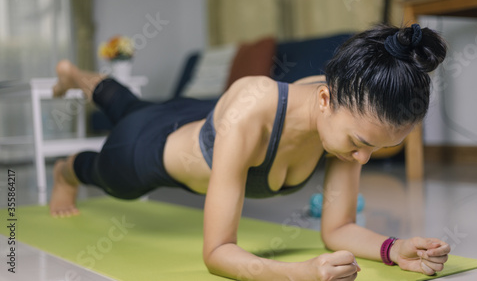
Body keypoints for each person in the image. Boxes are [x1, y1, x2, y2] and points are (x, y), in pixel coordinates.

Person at [50, 24, 450, 281]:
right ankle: (64, 170)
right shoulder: (254, 108)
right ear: (325, 99)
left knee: (131, 105)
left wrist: (394, 249)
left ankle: (72, 74)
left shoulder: (347, 108)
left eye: (378, 149)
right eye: (361, 145)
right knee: (109, 161)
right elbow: (217, 252)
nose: (362, 159)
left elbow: (337, 229)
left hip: (197, 117)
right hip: (146, 153)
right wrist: (299, 273)